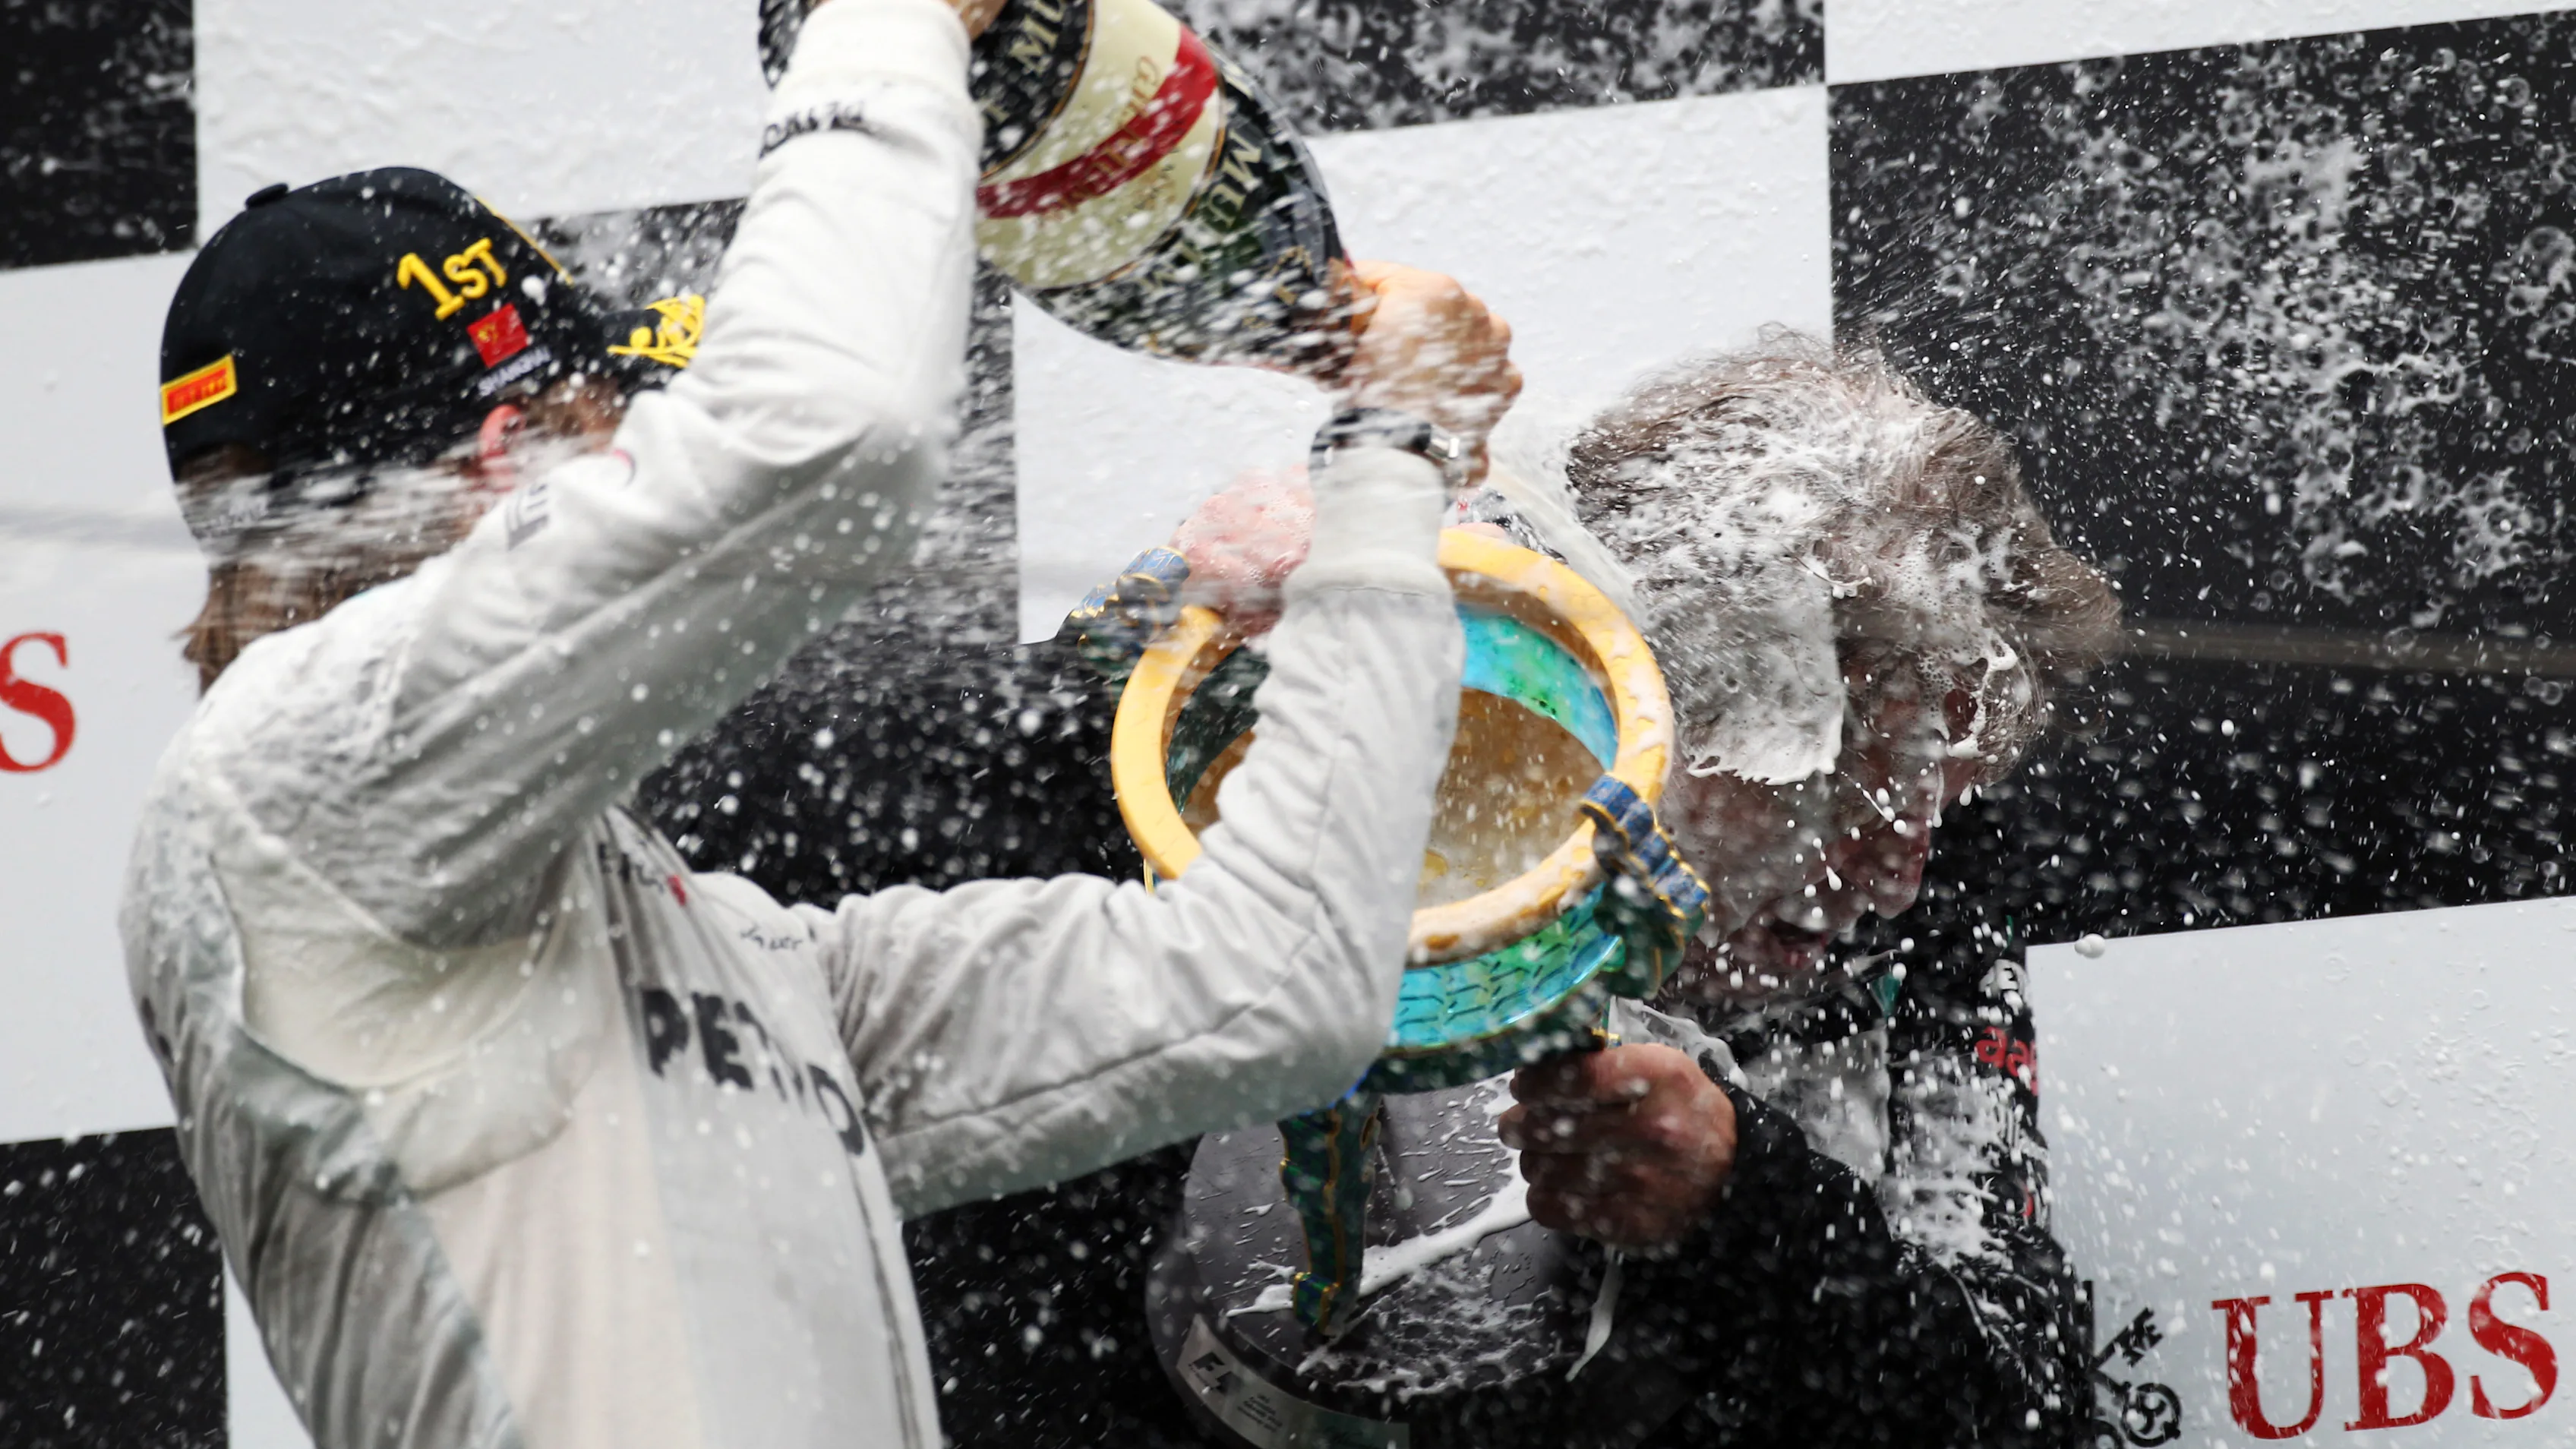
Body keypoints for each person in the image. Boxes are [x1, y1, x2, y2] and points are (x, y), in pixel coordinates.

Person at [115, 0, 1520, 1444]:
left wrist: (1384, 458)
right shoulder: (282, 792)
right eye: (622, 436)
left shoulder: (700, 943)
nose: (649, 492)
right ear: (507, 469)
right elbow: (822, 440)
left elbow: (1278, 986)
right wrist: (887, 22)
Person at [902, 334, 2123, 1448]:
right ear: (1660, 698)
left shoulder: (1922, 928)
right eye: (1862, 781)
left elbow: (2023, 1407)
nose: (1903, 871)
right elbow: (932, 1146)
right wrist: (1132, 670)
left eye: (1938, 803)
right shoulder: (1326, 765)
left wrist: (1745, 1204)